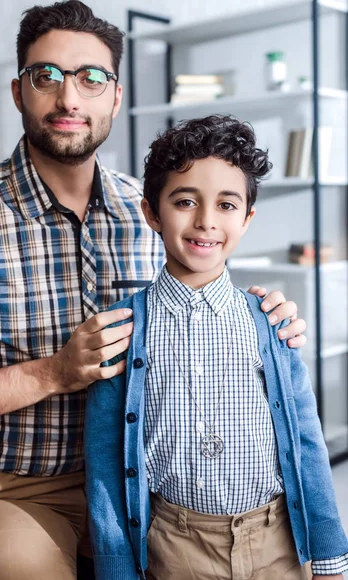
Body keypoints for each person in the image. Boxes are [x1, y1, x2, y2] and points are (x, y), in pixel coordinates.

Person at [0, 0, 306, 580]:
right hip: (10, 488)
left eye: (92, 79)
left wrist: (269, 317)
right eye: (47, 77)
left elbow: (207, 298)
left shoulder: (155, 205)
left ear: (114, 97)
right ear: (19, 92)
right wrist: (54, 372)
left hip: (146, 483)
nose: (69, 99)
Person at [85, 115, 348, 580]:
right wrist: (117, 569)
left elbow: (307, 442)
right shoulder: (121, 330)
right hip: (175, 546)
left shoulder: (270, 323)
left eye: (226, 205)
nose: (206, 220)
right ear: (152, 212)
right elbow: (105, 464)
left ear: (246, 219)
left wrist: (329, 558)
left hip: (277, 543)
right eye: (185, 201)